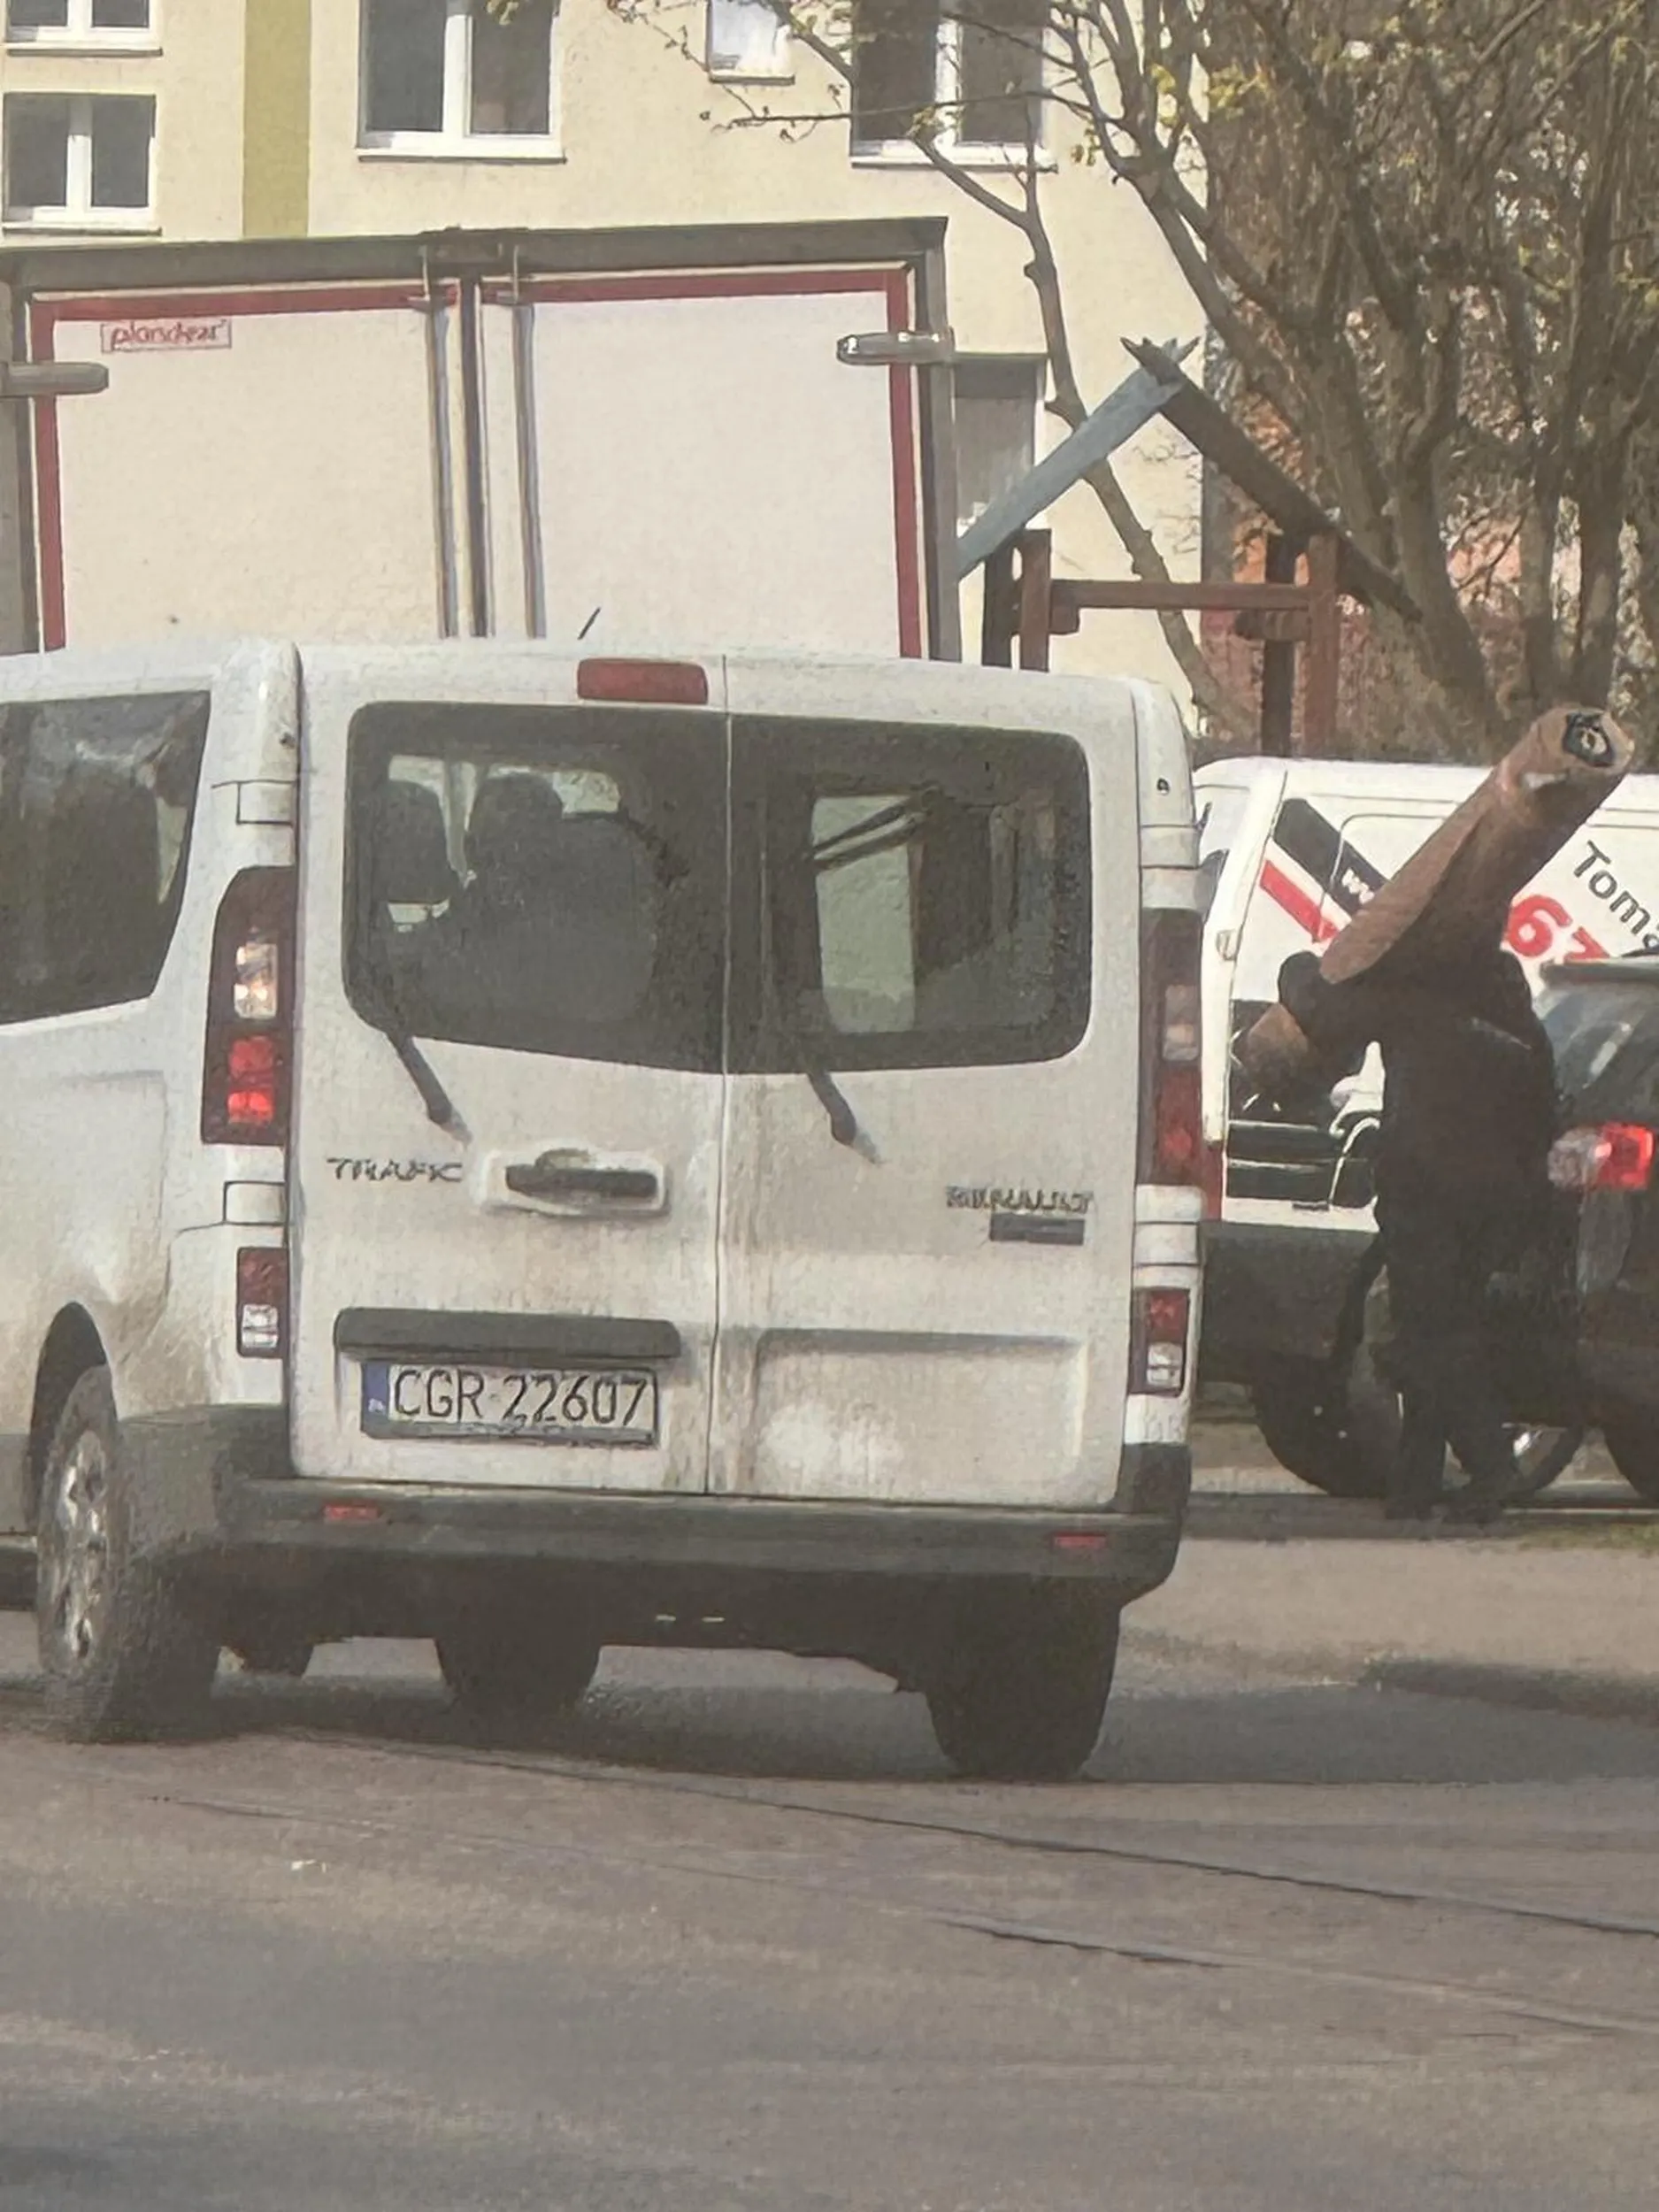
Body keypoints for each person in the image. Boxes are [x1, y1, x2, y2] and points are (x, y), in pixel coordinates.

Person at [1278, 942, 1557, 1523]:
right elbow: (1540, 1123)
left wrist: (1301, 968)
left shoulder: (1415, 1005)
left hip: (1426, 1192)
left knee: (1429, 1337)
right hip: (1497, 1201)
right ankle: (1415, 1483)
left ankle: (1489, 1464)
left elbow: (1322, 1012)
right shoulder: (1524, 1029)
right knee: (1441, 1329)